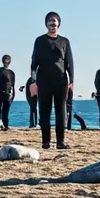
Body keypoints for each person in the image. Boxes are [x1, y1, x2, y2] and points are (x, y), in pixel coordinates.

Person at [30, 12, 75, 150]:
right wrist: (33, 81)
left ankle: (61, 142)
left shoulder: (64, 41)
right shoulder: (39, 41)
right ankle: (46, 142)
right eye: (50, 21)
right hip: (43, 81)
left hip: (61, 82)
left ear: (59, 24)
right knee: (44, 112)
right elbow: (34, 64)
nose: (52, 24)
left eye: (55, 21)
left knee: (61, 112)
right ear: (46, 24)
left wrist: (71, 81)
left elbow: (70, 63)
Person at [0, 54, 16, 130]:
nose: (6, 61)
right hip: (1, 93)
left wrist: (13, 95)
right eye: (5, 59)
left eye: (7, 60)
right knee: (2, 109)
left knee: (6, 110)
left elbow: (12, 85)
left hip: (9, 94)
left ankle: (5, 125)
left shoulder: (12, 73)